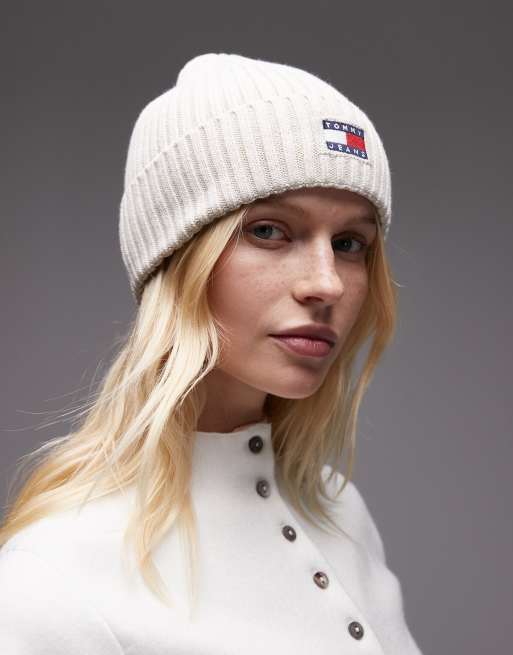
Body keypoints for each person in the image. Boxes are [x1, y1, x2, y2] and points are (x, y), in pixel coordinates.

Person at [0, 52, 424, 653]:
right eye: (269, 231)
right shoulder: (56, 577)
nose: (327, 283)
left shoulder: (337, 508)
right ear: (177, 262)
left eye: (351, 243)